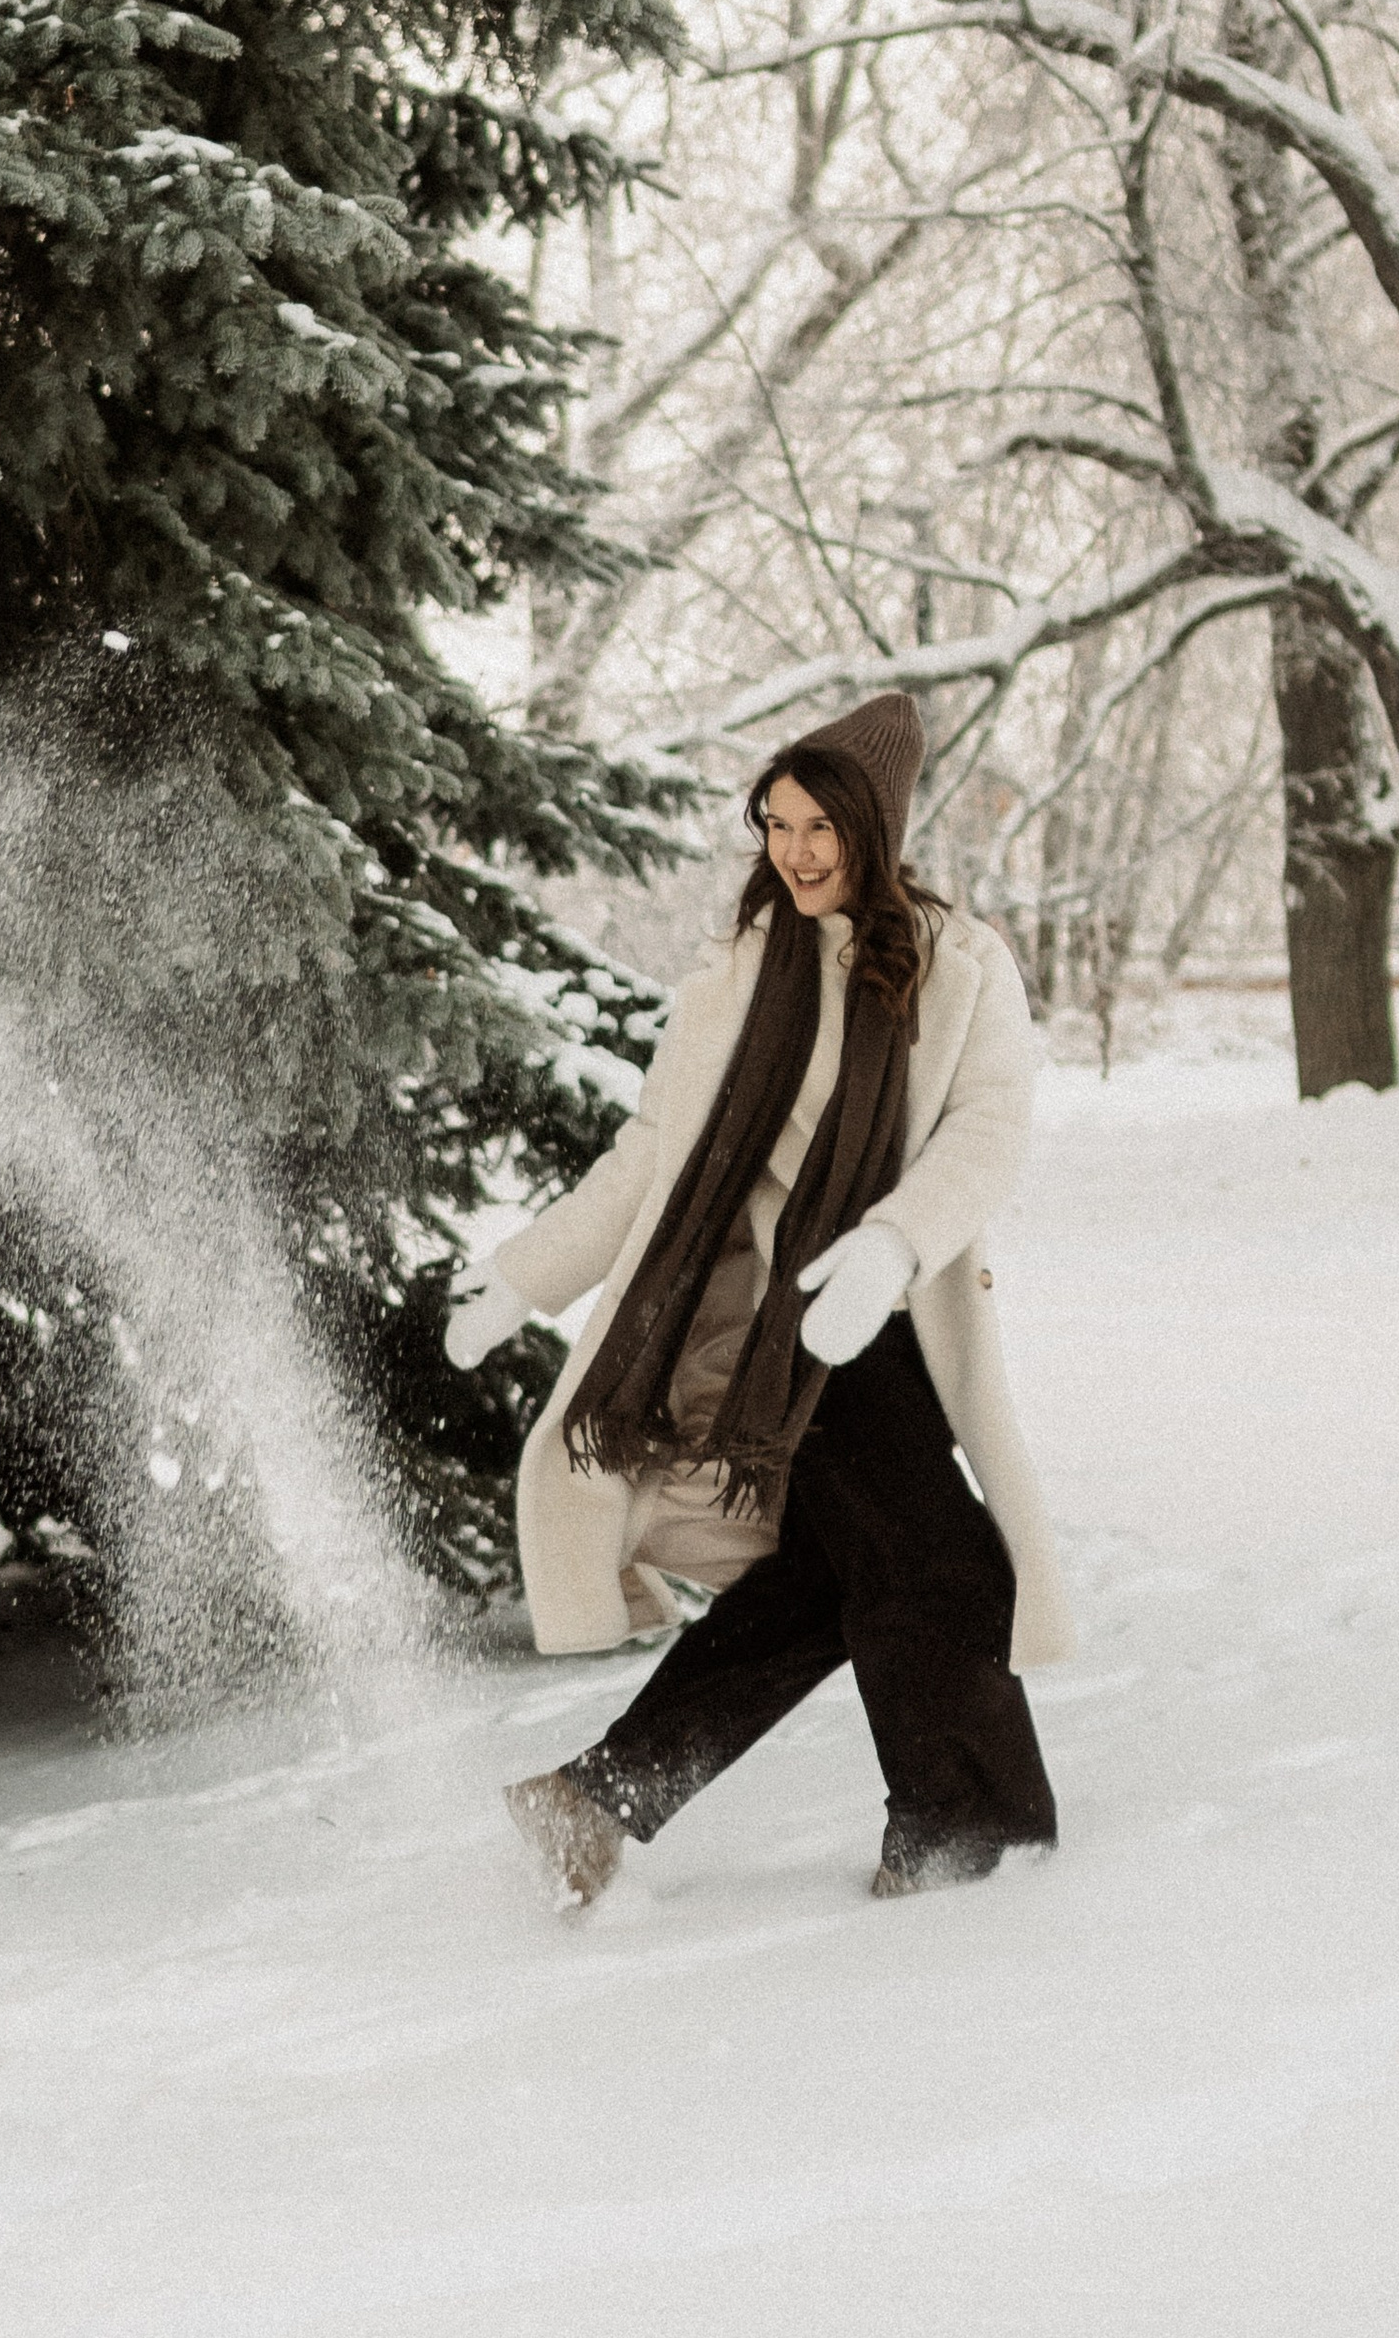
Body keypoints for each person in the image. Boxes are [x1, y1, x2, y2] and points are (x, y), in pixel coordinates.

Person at [447, 693, 1069, 1907]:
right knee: (939, 1570)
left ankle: (598, 1800)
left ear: (875, 828)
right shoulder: (734, 981)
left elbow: (988, 1130)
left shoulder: (958, 967)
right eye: (775, 823)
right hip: (776, 1343)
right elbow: (646, 1160)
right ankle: (963, 1840)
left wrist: (893, 1242)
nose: (793, 850)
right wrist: (524, 1275)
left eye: (819, 825)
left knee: (843, 1581)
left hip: (885, 1319)